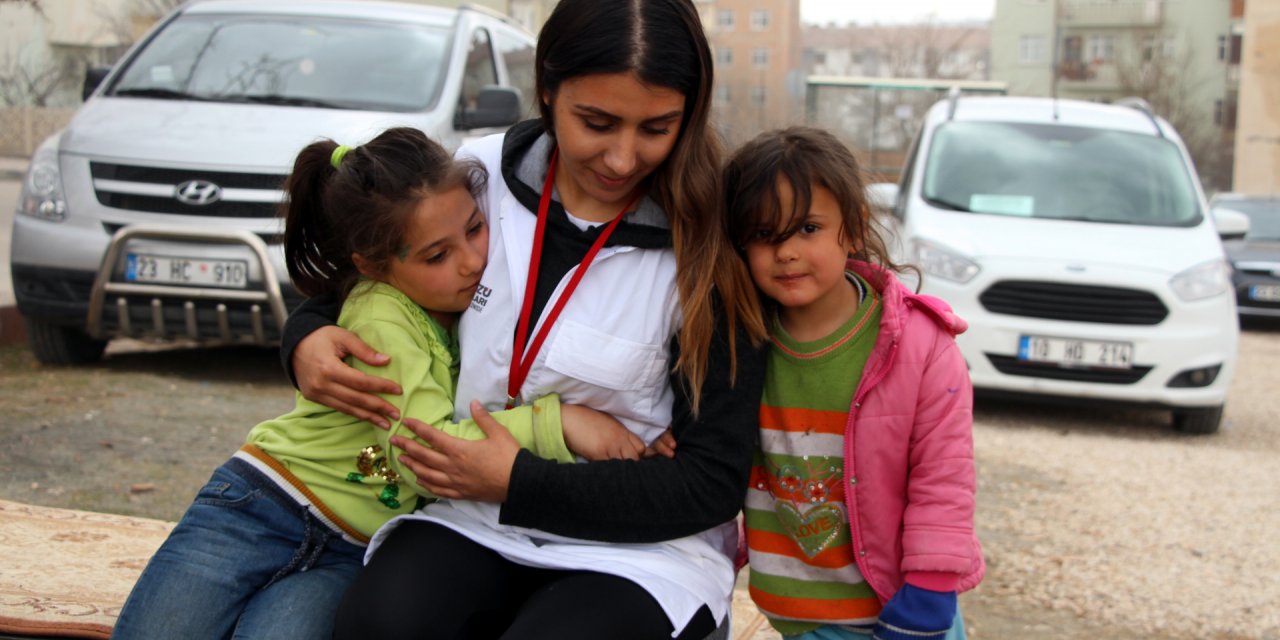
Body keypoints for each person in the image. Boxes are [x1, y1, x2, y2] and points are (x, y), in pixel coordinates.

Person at [280, 1, 768, 638]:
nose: (622, 158)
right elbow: (381, 276)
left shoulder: (712, 241)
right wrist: (305, 336)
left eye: (656, 128)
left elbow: (709, 483)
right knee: (381, 626)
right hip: (469, 514)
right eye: (596, 122)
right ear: (545, 89)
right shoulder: (481, 174)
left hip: (641, 552)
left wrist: (519, 479)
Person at [112, 127, 642, 640]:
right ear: (373, 266)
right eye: (438, 255)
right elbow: (422, 448)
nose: (473, 261)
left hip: (354, 549)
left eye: (476, 229)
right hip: (265, 508)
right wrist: (560, 424)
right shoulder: (383, 317)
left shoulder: (458, 303)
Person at [719, 127, 985, 640]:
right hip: (796, 616)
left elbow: (943, 477)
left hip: (902, 614)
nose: (787, 252)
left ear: (855, 225)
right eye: (763, 235)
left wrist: (930, 590)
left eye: (809, 228)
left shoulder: (920, 347)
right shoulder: (741, 341)